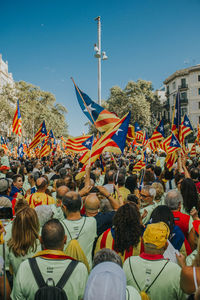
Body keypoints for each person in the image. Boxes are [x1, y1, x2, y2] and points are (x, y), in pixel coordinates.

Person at [11, 219, 88, 300]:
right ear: (65, 239)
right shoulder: (80, 269)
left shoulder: (25, 267)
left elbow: (16, 298)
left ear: (40, 240)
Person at [123, 222, 187, 300]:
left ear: (143, 241)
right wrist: (183, 267)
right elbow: (186, 296)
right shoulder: (176, 270)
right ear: (166, 245)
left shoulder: (128, 263)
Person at [61, 191, 97, 269]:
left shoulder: (59, 226)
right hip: (86, 269)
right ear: (81, 206)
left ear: (64, 207)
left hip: (66, 271)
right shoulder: (92, 222)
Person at [7, 206, 41, 276]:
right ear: (35, 223)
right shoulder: (41, 245)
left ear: (15, 225)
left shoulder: (10, 246)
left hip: (17, 284)